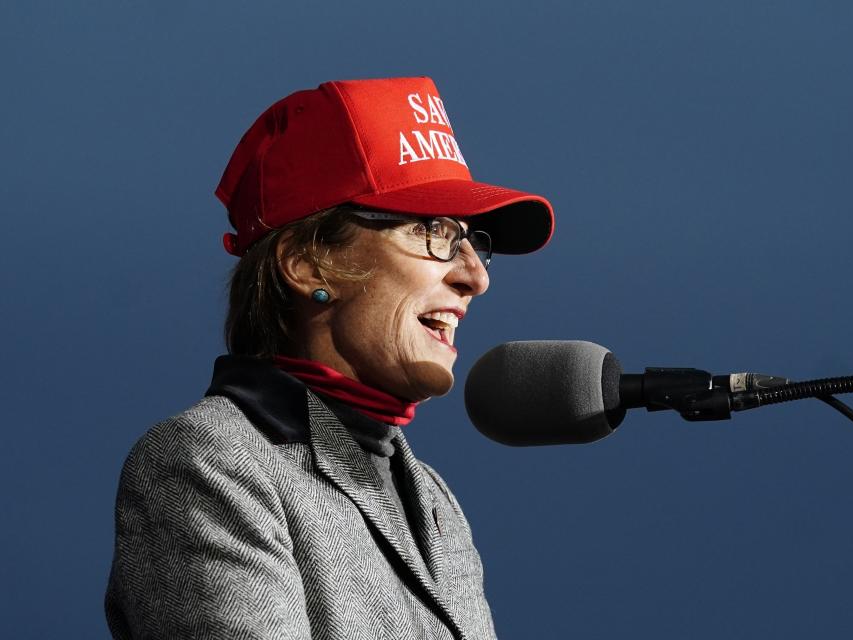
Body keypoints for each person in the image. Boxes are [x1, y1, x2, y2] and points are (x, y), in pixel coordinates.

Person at [104, 76, 554, 639]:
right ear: (309, 264)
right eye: (434, 231)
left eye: (470, 239)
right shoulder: (209, 463)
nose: (475, 277)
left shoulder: (434, 501)